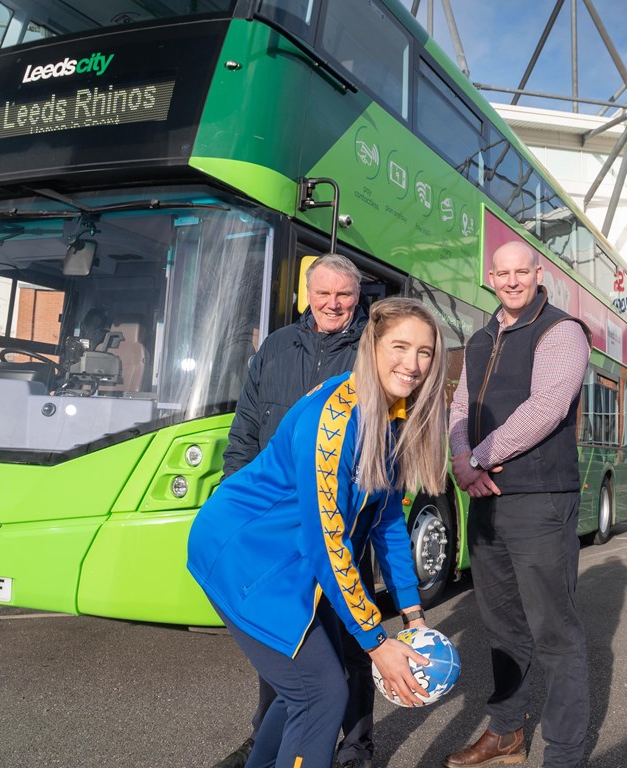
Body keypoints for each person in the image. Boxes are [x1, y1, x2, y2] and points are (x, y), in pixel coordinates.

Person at [188, 297, 448, 768]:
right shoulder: (334, 421)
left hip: (285, 553)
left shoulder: (393, 417)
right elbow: (328, 544)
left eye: (425, 352)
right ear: (371, 346)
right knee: (321, 693)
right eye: (400, 346)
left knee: (299, 693)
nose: (412, 364)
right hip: (244, 552)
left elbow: (386, 519)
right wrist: (375, 642)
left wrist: (412, 615)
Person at [216, 254, 379, 768]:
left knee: (351, 641)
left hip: (339, 521)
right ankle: (274, 736)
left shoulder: (370, 352)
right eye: (324, 293)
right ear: (308, 293)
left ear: (358, 297)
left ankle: (355, 747)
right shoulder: (276, 346)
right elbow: (245, 428)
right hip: (275, 522)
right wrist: (233, 491)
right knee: (285, 639)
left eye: (344, 295)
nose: (333, 304)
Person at [444, 241, 591, 768]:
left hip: (540, 502)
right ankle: (507, 732)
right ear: (491, 277)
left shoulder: (561, 331)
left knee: (554, 631)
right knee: (502, 625)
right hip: (487, 503)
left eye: (520, 272)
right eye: (502, 273)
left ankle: (566, 752)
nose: (511, 281)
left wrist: (479, 456)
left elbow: (548, 407)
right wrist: (461, 456)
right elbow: (460, 404)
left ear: (537, 273)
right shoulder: (481, 337)